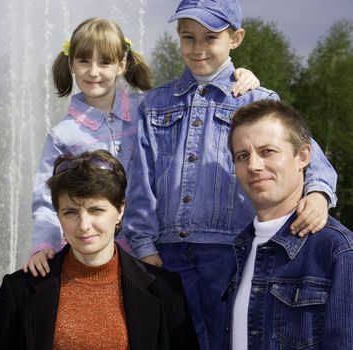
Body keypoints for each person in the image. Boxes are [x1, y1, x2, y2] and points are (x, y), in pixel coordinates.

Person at [121, 1, 338, 349]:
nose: (198, 48)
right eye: (188, 37)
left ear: (235, 38)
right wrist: (144, 244)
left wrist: (318, 194)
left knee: (230, 338)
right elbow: (139, 181)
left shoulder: (255, 98)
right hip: (167, 252)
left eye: (210, 37)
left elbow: (310, 158)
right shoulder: (155, 104)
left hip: (231, 251)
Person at [26, 17, 260, 277]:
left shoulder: (149, 107)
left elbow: (197, 107)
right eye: (84, 61)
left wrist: (238, 75)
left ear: (121, 65)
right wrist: (43, 245)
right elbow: (46, 200)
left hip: (147, 250)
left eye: (104, 62)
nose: (93, 71)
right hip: (89, 251)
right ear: (71, 64)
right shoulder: (63, 134)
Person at [0, 150, 200, 349]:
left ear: (119, 210)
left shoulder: (164, 290)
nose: (84, 225)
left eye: (95, 210)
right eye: (70, 212)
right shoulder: (18, 290)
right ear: (58, 215)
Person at [224, 99, 353, 349]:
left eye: (267, 151)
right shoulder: (239, 248)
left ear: (303, 156)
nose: (253, 165)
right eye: (242, 156)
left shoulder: (338, 251)